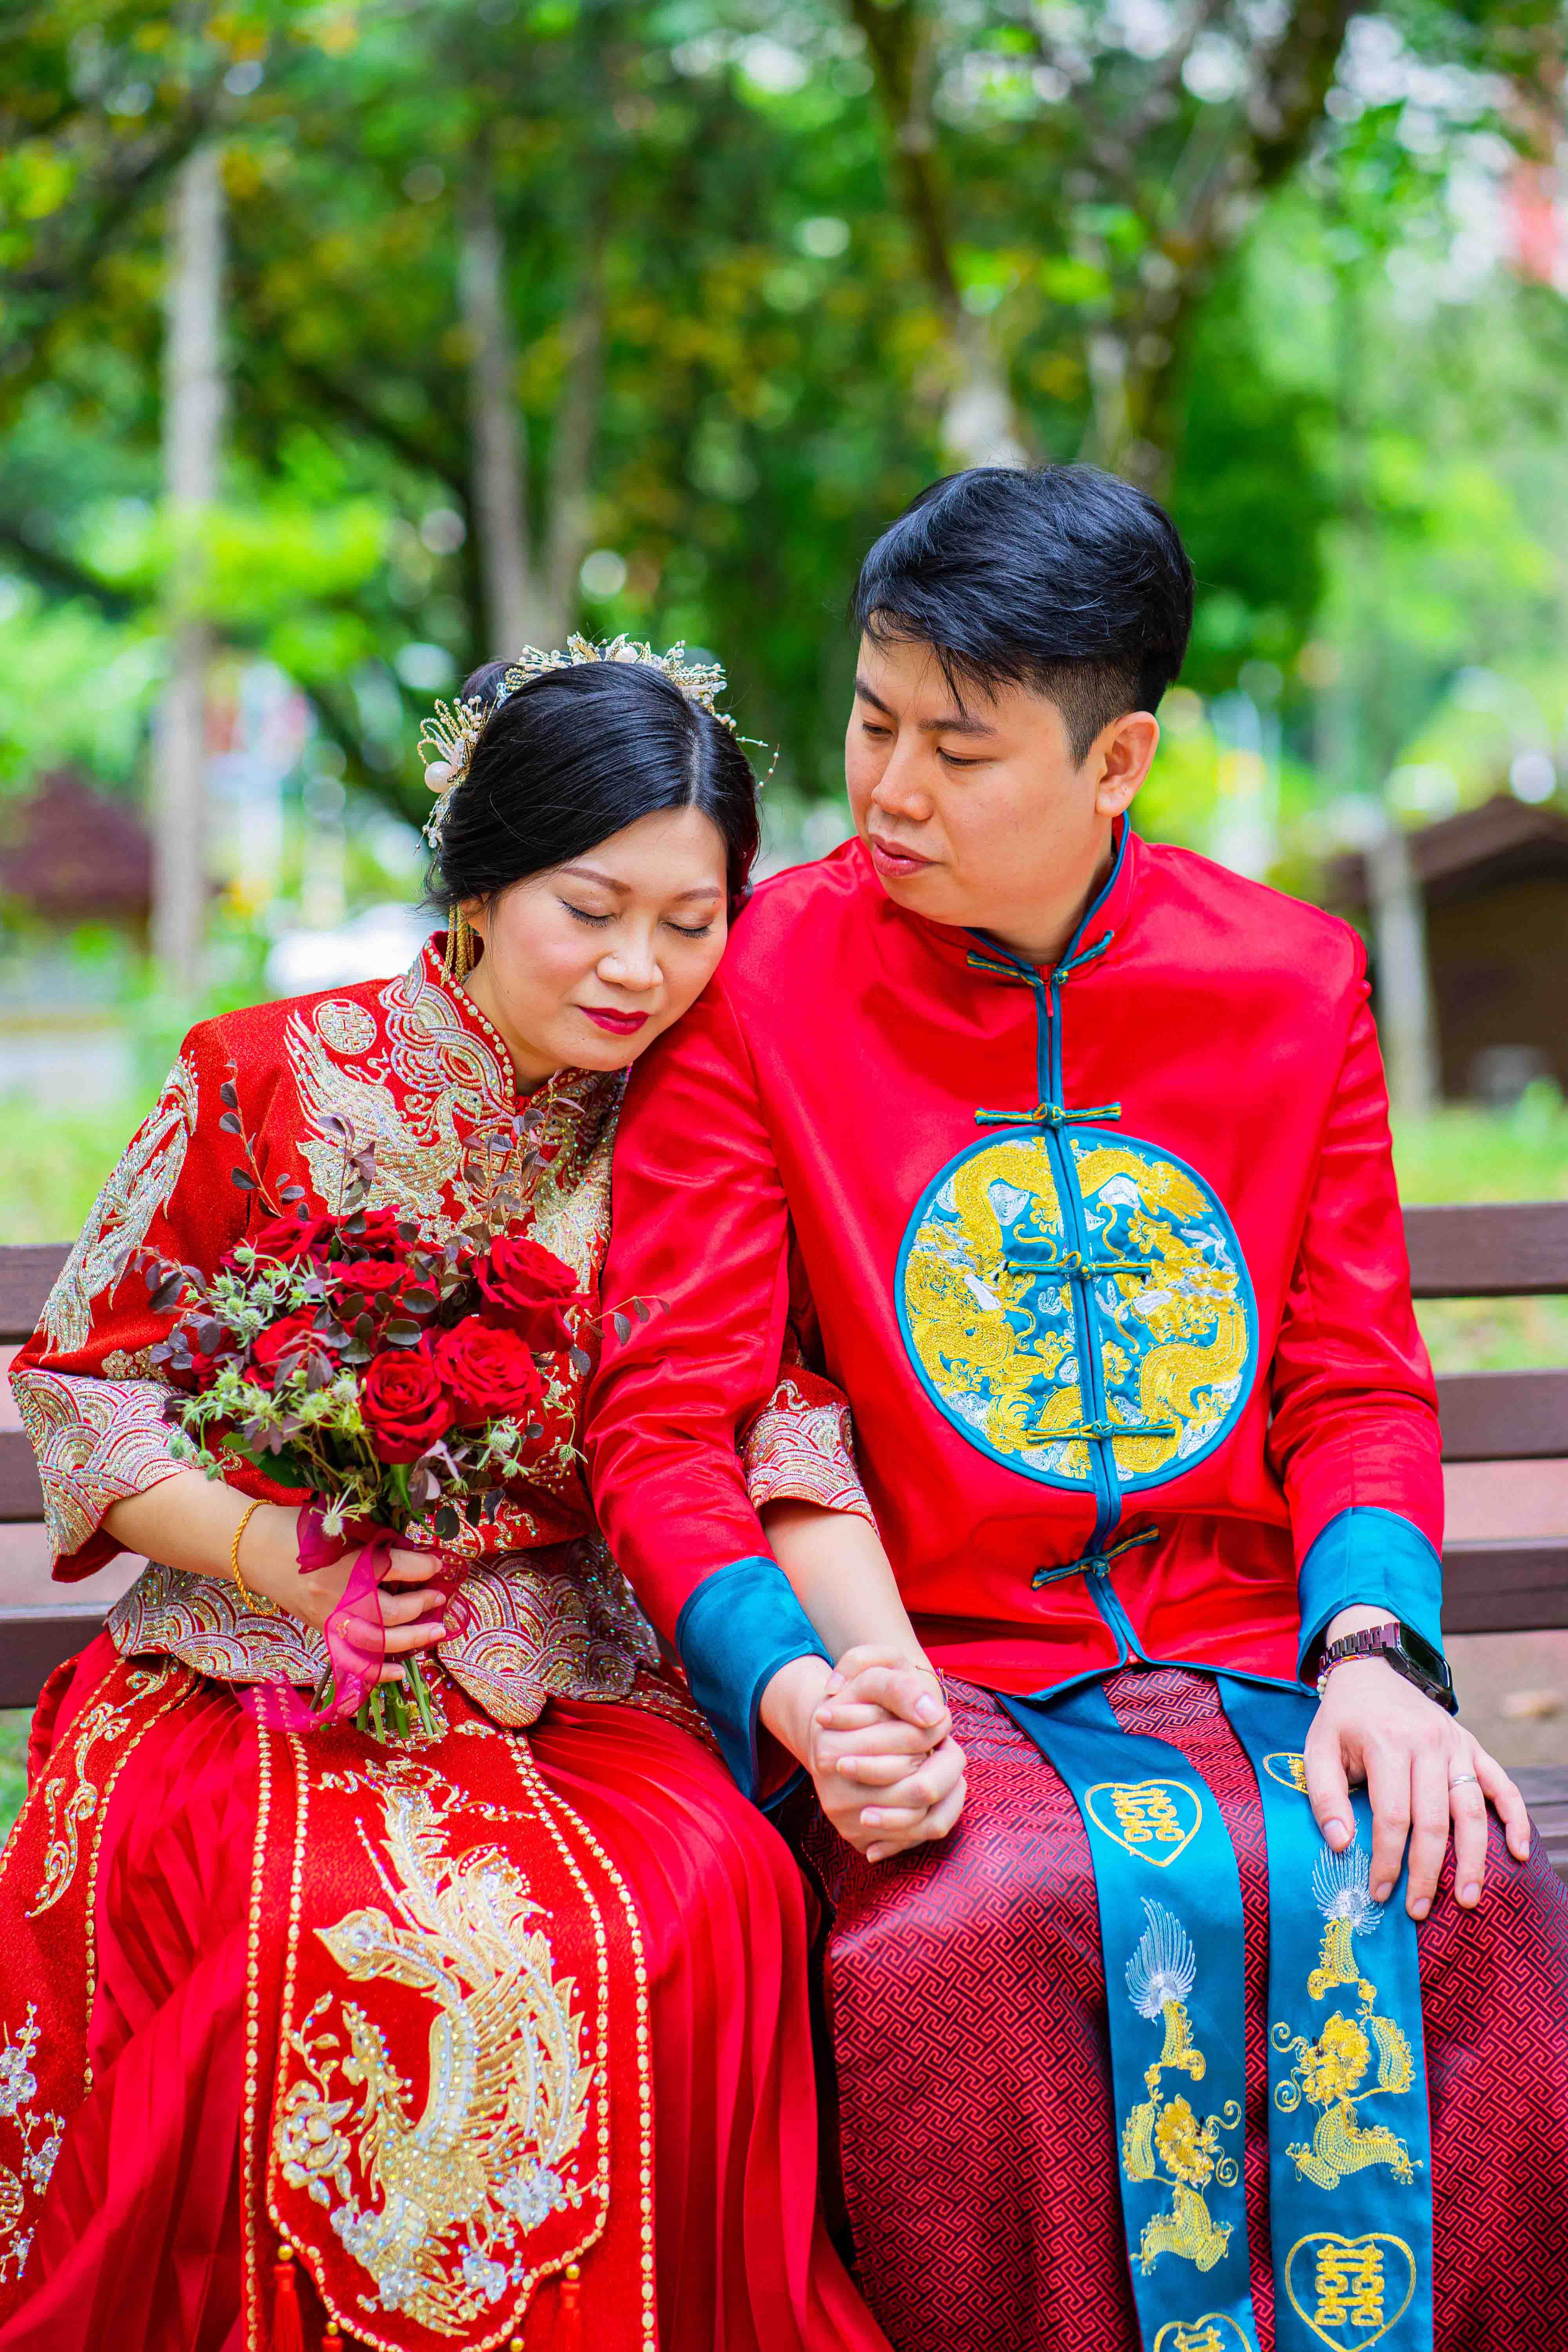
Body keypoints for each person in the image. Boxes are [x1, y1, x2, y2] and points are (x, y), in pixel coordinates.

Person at [586, 472, 1568, 2352]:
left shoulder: (1289, 984)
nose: (887, 791)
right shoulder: (761, 986)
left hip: (1259, 1661)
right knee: (971, 1942)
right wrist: (798, 1692)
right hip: (934, 1685)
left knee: (1459, 1901)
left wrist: (1376, 1658)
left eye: (957, 752)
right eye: (871, 721)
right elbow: (664, 1420)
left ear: (1117, 761)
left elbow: (1352, 1377)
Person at [0, 642, 890, 2352]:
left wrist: (858, 1669)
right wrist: (275, 1550)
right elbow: (85, 1388)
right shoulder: (261, 1072)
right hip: (254, 1662)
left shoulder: (699, 1119)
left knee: (710, 1898)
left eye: (691, 923)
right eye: (591, 909)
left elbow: (769, 1414)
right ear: (479, 885)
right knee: (292, 1922)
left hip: (575, 1678)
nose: (639, 969)